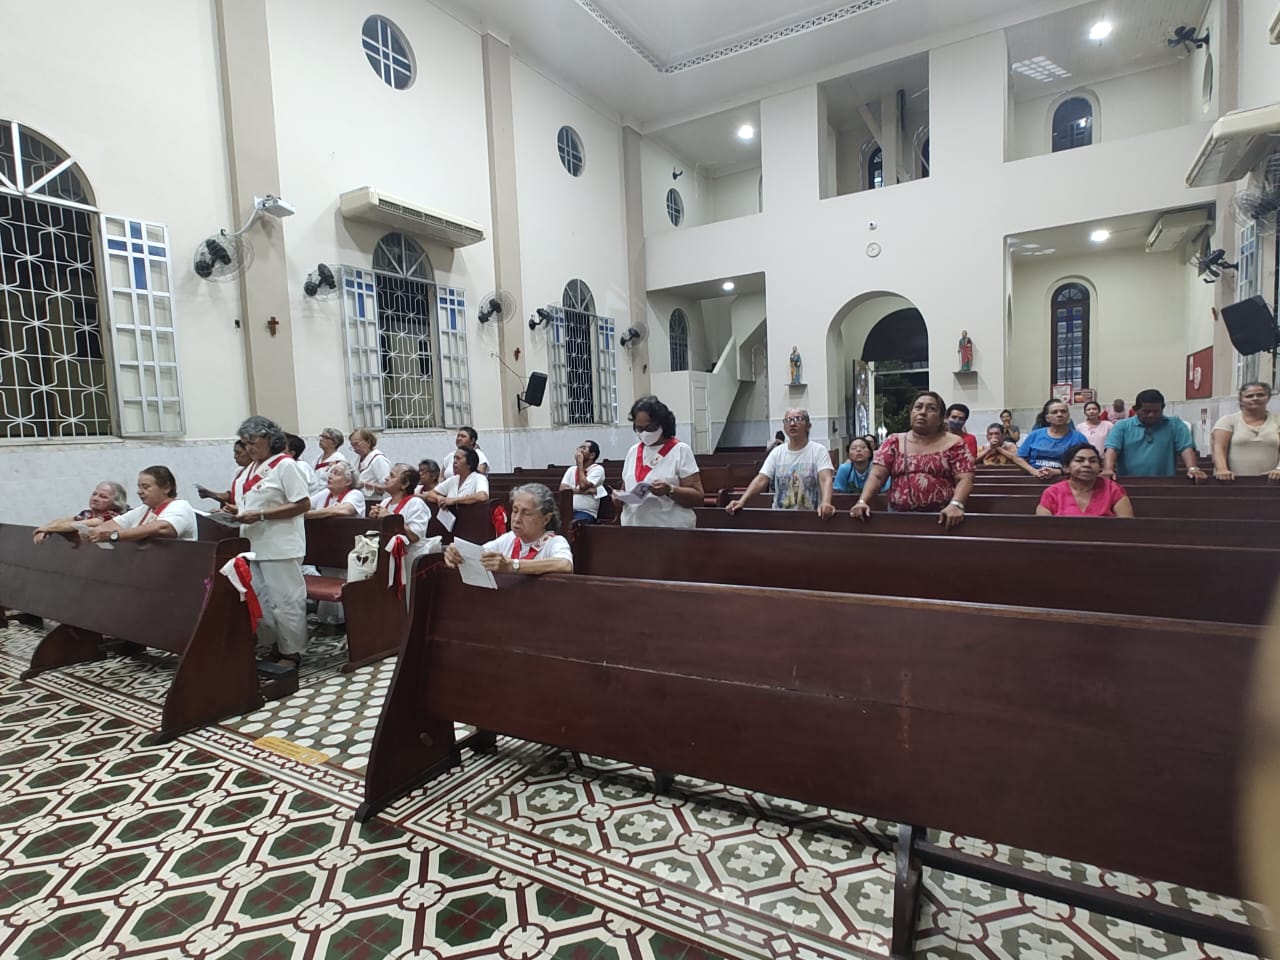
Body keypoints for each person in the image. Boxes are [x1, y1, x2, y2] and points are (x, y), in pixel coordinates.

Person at [234, 416, 311, 671]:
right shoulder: (249, 469)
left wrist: (261, 515)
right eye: (245, 443)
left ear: (270, 439)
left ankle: (292, 651)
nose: (248, 448)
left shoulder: (285, 465)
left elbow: (302, 504)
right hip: (253, 544)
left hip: (281, 545)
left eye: (253, 442)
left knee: (286, 600)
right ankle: (274, 645)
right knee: (262, 601)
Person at [849, 390, 975, 529]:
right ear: (911, 413)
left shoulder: (954, 443)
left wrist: (956, 504)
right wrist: (862, 501)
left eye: (931, 409)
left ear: (941, 418)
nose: (923, 412)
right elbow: (877, 476)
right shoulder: (894, 441)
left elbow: (964, 478)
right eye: (918, 407)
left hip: (942, 517)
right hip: (898, 516)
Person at [444, 483, 573, 575]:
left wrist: (513, 566)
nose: (517, 519)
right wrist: (458, 553)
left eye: (526, 513)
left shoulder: (555, 542)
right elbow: (480, 554)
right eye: (515, 511)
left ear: (545, 519)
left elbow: (565, 565)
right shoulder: (509, 538)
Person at [726, 408, 835, 516]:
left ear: (808, 426)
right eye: (788, 420)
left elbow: (825, 479)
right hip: (780, 517)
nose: (792, 424)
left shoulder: (818, 451)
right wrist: (742, 501)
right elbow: (761, 479)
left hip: (811, 516)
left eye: (798, 419)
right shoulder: (777, 452)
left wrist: (826, 502)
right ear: (784, 427)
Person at [617, 395, 704, 528]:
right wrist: (619, 497)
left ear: (663, 425)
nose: (644, 433)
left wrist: (670, 490)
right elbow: (626, 488)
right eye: (639, 429)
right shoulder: (633, 451)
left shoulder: (680, 450)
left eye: (650, 428)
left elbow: (697, 496)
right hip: (633, 527)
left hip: (670, 529)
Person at [1104, 388, 1206, 480]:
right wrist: (1108, 469)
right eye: (1146, 411)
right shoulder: (1122, 426)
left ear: (1163, 408)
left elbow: (1186, 448)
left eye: (1156, 411)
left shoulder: (1174, 424)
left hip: (1165, 483)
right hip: (1129, 482)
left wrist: (1192, 469)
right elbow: (1112, 449)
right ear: (1135, 410)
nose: (1151, 415)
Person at [82, 466, 199, 543]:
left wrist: (114, 536)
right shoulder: (145, 509)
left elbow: (160, 528)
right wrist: (94, 532)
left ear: (166, 488)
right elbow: (115, 524)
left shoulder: (180, 506)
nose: (139, 492)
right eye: (139, 487)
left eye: (145, 487)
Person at [1036, 443, 1134, 517]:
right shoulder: (1052, 493)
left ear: (1100, 467)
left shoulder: (1113, 489)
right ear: (1066, 468)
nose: (1087, 465)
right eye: (1079, 460)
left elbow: (1126, 527)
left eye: (1093, 461)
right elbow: (1044, 530)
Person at [371, 462, 438, 565]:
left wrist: (392, 518)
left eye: (392, 476)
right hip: (387, 559)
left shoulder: (416, 503)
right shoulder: (385, 502)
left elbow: (414, 536)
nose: (386, 478)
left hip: (409, 561)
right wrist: (373, 519)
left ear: (404, 484)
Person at [1212, 381, 1280, 481]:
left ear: (1268, 398)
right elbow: (1219, 448)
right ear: (1241, 400)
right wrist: (1222, 469)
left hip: (1272, 481)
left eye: (1260, 395)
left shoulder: (1277, 421)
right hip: (1233, 481)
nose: (1255, 398)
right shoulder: (1228, 421)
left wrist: (1279, 469)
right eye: (1249, 396)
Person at [32, 481, 130, 543]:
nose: (95, 498)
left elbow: (76, 524)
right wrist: (45, 530)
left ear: (116, 503)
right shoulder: (87, 513)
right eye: (94, 494)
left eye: (103, 497)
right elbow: (64, 521)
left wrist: (47, 528)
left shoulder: (112, 515)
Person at [1017, 400, 1089, 478]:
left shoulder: (1079, 438)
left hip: (1066, 479)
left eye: (1063, 411)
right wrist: (1034, 471)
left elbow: (1086, 462)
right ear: (1047, 418)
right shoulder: (1035, 435)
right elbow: (1019, 458)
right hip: (1034, 478)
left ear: (1068, 416)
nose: (1059, 414)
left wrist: (1058, 472)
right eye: (1054, 412)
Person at [560, 440, 607, 524]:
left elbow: (583, 485)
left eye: (584, 448)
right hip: (567, 511)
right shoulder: (571, 469)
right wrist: (584, 491)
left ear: (592, 455)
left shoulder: (598, 469)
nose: (579, 451)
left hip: (585, 512)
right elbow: (562, 488)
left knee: (574, 524)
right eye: (579, 448)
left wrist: (580, 464)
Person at [196, 440, 252, 509]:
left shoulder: (256, 473)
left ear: (250, 453)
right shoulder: (238, 472)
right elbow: (233, 497)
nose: (235, 456)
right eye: (234, 453)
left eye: (238, 453)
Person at [350, 428, 392, 506]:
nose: (355, 449)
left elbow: (387, 486)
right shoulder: (357, 460)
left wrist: (364, 484)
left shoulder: (379, 460)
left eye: (357, 444)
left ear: (368, 442)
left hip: (375, 502)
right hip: (359, 500)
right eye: (352, 445)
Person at [313, 427, 350, 492]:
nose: (321, 439)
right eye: (321, 436)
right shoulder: (317, 458)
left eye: (326, 438)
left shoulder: (340, 460)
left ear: (335, 443)